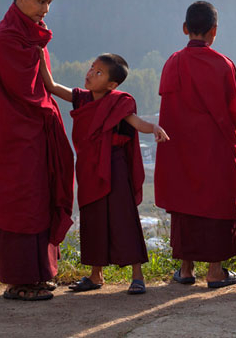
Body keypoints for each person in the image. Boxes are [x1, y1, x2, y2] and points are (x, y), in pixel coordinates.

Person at [38, 52, 169, 295]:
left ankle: (137, 275)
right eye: (91, 67)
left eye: (98, 72)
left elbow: (135, 122)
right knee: (92, 218)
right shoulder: (81, 99)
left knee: (124, 217)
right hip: (89, 168)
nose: (90, 73)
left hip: (115, 167)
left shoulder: (119, 103)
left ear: (112, 85)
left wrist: (154, 128)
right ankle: (96, 274)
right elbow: (52, 86)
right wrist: (38, 54)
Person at [0, 0, 74, 301]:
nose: (45, 9)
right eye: (40, 1)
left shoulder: (32, 36)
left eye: (49, 2)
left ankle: (40, 273)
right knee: (21, 201)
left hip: (35, 133)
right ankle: (20, 280)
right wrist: (49, 111)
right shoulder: (6, 39)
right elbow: (25, 92)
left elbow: (42, 86)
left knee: (41, 196)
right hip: (14, 135)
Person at [155, 1, 236, 288]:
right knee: (218, 203)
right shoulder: (223, 64)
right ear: (214, 31)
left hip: (180, 149)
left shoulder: (173, 62)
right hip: (213, 148)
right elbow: (234, 113)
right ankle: (215, 271)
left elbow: (168, 109)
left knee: (186, 203)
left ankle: (185, 269)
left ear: (185, 29)